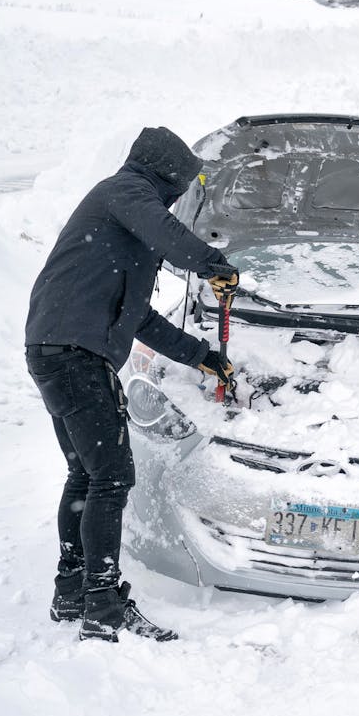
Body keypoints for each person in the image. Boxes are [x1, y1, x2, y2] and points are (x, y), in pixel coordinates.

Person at [25, 126, 238, 644]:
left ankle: (72, 592)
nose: (178, 198)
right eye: (180, 186)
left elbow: (137, 317)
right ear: (166, 175)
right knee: (113, 476)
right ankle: (101, 603)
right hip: (74, 354)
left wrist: (202, 357)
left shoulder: (125, 218)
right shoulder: (125, 193)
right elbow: (164, 229)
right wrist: (212, 264)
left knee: (87, 474)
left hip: (56, 348)